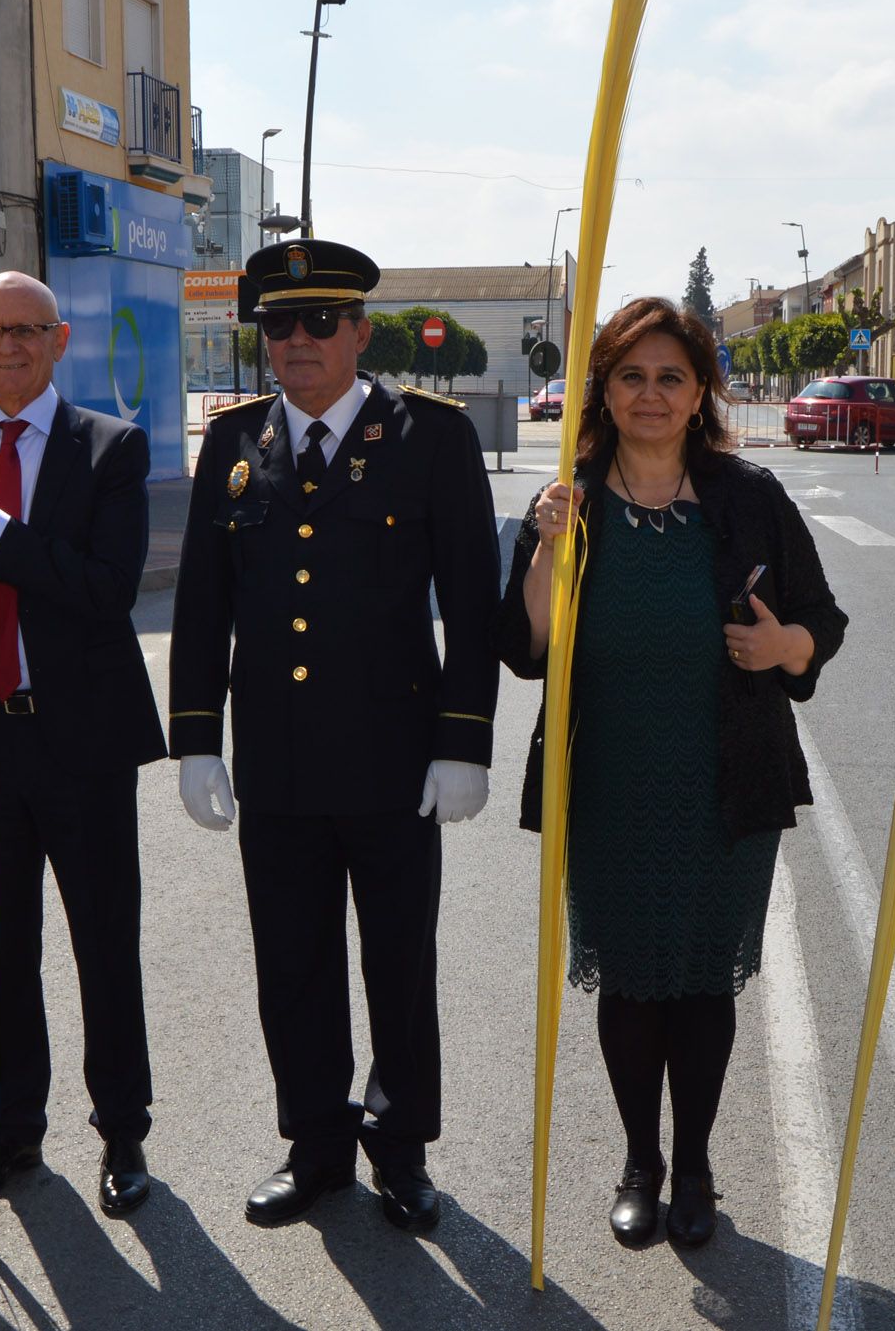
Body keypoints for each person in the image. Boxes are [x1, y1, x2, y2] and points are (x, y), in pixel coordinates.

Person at [493, 297, 847, 1248]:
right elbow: (526, 647)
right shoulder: (566, 499)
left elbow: (826, 623)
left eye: (671, 377)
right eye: (631, 376)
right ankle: (638, 1159)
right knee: (630, 983)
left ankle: (694, 1162)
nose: (651, 394)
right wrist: (547, 551)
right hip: (605, 781)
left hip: (725, 784)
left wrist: (784, 646)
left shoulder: (750, 498)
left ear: (700, 395)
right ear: (603, 389)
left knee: (700, 983)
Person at [169, 239, 501, 1234]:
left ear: (360, 331)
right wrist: (195, 737)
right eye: (278, 323)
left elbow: (471, 604)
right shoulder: (233, 442)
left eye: (320, 321)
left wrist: (463, 740)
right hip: (275, 762)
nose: (298, 339)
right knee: (292, 961)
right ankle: (314, 1144)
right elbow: (200, 603)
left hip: (396, 759)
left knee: (397, 962)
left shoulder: (429, 437)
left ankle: (399, 1148)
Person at [0, 271, 166, 1216]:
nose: (8, 347)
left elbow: (105, 590)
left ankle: (123, 1132)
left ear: (58, 343)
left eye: (28, 331)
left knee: (103, 943)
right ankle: (13, 1133)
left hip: (81, 739)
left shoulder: (109, 449)